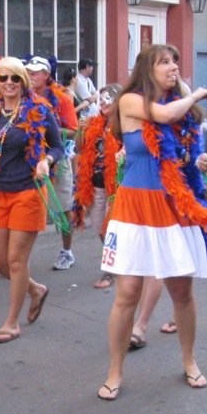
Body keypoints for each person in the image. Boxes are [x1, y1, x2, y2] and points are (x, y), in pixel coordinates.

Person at [97, 44, 207, 401]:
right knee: (126, 295)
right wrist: (195, 91)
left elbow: (185, 140)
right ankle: (115, 372)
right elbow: (164, 116)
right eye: (164, 62)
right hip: (134, 207)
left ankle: (190, 361)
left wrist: (195, 159)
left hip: (173, 207)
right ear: (145, 69)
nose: (172, 67)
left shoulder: (180, 108)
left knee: (181, 292)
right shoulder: (131, 101)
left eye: (175, 61)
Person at [0, 56, 64, 343]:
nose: (8, 83)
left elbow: (59, 146)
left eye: (14, 78)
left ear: (23, 82)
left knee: (16, 260)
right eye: (2, 78)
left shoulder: (38, 111)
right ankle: (36, 289)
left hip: (28, 191)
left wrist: (46, 160)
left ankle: (12, 322)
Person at [25, 56, 80, 270]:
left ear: (46, 75)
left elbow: (74, 131)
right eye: (28, 72)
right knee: (28, 206)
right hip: (29, 160)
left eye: (35, 72)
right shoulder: (23, 97)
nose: (31, 76)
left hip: (57, 159)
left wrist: (47, 128)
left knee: (63, 207)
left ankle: (67, 251)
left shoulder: (62, 99)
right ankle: (20, 256)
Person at [72, 84, 123, 289]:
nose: (102, 102)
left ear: (118, 101)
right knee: (99, 228)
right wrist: (80, 131)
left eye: (107, 99)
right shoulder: (95, 124)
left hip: (116, 187)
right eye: (100, 99)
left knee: (112, 229)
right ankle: (117, 261)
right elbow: (78, 147)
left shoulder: (124, 126)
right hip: (95, 185)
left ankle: (111, 270)